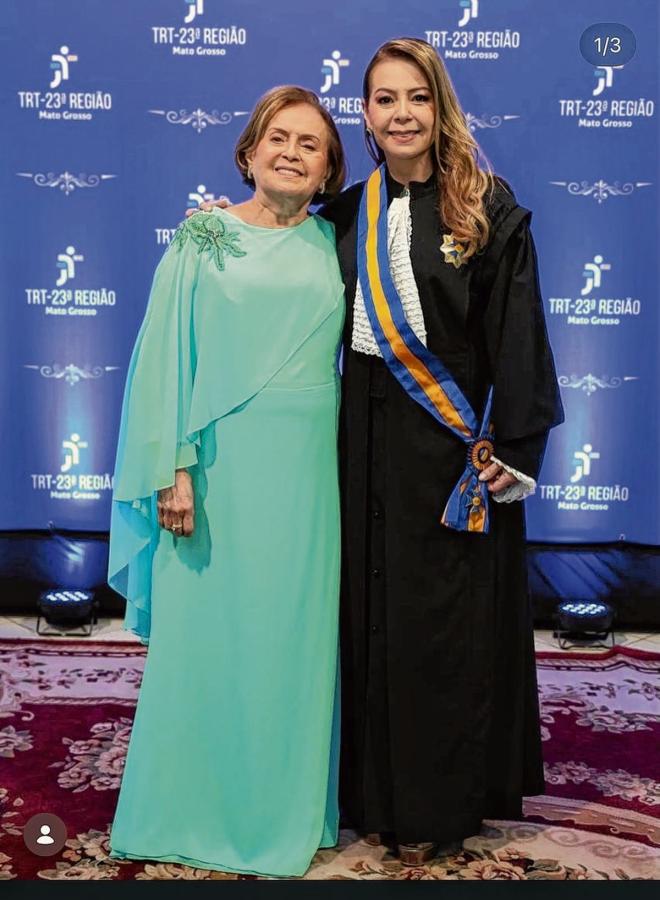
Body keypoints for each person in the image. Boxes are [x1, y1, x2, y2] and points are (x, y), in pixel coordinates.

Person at [196, 38, 563, 866]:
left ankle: (442, 801)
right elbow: (272, 235)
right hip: (361, 450)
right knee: (372, 623)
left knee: (442, 629)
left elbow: (519, 334)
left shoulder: (486, 206)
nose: (401, 114)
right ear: (364, 114)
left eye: (416, 98)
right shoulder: (347, 213)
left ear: (440, 108)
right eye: (384, 99)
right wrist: (215, 225)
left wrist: (513, 445)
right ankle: (373, 797)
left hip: (454, 454)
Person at [107, 86, 347, 877]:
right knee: (207, 641)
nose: (291, 153)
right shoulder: (201, 236)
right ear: (249, 152)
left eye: (310, 144)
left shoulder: (337, 242)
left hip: (306, 476)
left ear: (329, 170)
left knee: (289, 640)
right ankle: (184, 810)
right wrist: (171, 466)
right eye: (278, 137)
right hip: (213, 470)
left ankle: (283, 812)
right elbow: (164, 357)